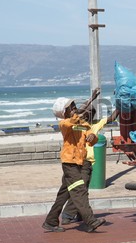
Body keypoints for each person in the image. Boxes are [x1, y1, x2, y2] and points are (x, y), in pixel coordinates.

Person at [42, 96, 106, 233]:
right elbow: (70, 122)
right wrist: (83, 109)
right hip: (69, 163)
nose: (74, 108)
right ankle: (90, 221)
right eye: (71, 107)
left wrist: (92, 137)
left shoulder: (82, 123)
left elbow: (91, 137)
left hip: (80, 162)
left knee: (64, 194)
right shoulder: (64, 124)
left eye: (74, 106)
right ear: (64, 112)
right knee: (79, 191)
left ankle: (50, 221)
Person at [61, 106, 120, 225]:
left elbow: (112, 117)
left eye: (91, 113)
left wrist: (120, 104)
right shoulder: (76, 124)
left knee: (80, 190)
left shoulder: (95, 125)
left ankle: (80, 214)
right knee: (80, 191)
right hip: (78, 162)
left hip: (87, 162)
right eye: (86, 113)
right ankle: (68, 215)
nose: (88, 115)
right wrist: (93, 97)